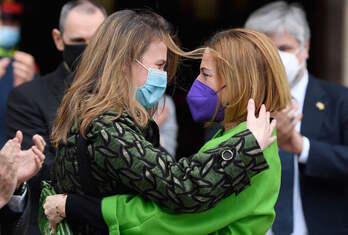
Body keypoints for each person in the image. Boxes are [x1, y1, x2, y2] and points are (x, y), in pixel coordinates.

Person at [44, 12, 289, 235]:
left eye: (205, 74)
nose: (164, 77)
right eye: (159, 65)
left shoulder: (252, 147)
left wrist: (75, 206)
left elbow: (170, 216)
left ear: (239, 82)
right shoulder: (243, 144)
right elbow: (178, 192)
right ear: (122, 64)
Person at [245, 1, 348, 234]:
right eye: (267, 50)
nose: (276, 59)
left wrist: (302, 147)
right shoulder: (239, 104)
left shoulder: (339, 100)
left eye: (284, 48)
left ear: (306, 48)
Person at [5, 0, 106, 234]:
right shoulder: (28, 97)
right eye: (79, 41)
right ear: (59, 39)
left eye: (97, 42)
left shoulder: (126, 94)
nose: (88, 50)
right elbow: (42, 173)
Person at [0, 1, 36, 148]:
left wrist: (27, 89)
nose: (9, 26)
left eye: (13, 21)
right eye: (3, 19)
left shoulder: (26, 65)